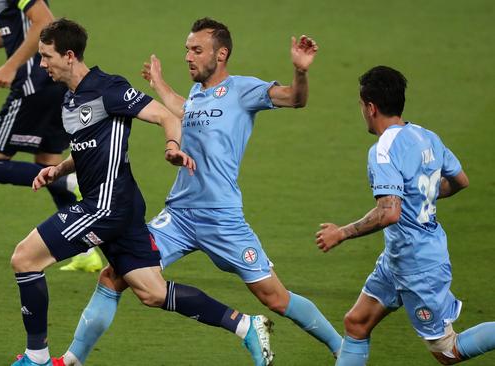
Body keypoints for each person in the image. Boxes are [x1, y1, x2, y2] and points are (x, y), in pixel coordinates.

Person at [55, 17, 342, 366]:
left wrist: (300, 72)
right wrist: (160, 85)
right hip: (178, 216)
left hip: (222, 219)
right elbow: (185, 111)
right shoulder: (197, 94)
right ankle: (72, 360)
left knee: (275, 298)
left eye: (196, 50)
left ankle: (342, 348)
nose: (188, 56)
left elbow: (295, 99)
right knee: (115, 276)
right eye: (187, 49)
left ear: (221, 54)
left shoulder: (243, 90)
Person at [11, 18, 275, 366]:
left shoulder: (109, 88)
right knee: (152, 292)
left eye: (46, 56)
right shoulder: (71, 99)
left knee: (24, 258)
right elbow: (89, 147)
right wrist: (59, 168)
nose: (42, 63)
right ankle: (246, 326)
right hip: (120, 207)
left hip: (106, 207)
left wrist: (171, 147)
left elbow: (168, 117)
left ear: (69, 55)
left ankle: (37, 358)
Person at [315, 65, 495, 365]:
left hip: (419, 266)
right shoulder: (427, 137)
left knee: (447, 351)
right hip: (397, 259)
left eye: (361, 105)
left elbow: (389, 213)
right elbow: (460, 180)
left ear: (371, 107)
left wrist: (342, 232)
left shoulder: (383, 150)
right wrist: (420, 194)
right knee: (356, 323)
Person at [0, 0, 102, 272]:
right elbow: (17, 30)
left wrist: (10, 66)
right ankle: (85, 250)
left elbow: (45, 22)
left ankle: (71, 180)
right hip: (52, 84)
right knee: (48, 165)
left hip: (33, 86)